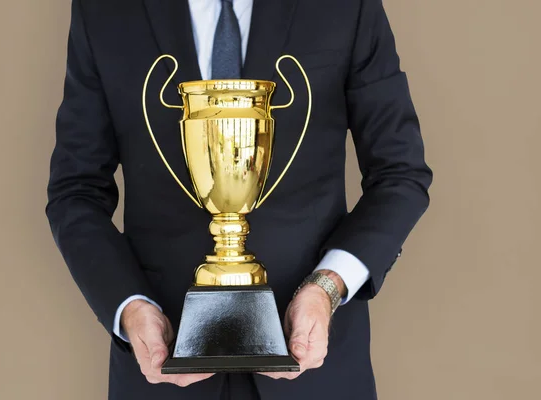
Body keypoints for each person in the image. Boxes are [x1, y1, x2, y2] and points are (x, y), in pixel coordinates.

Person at [46, 0, 432, 399]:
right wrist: (130, 308)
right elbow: (75, 191)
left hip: (317, 376)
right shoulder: (104, 11)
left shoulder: (346, 6)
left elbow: (400, 174)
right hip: (163, 375)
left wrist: (328, 287)